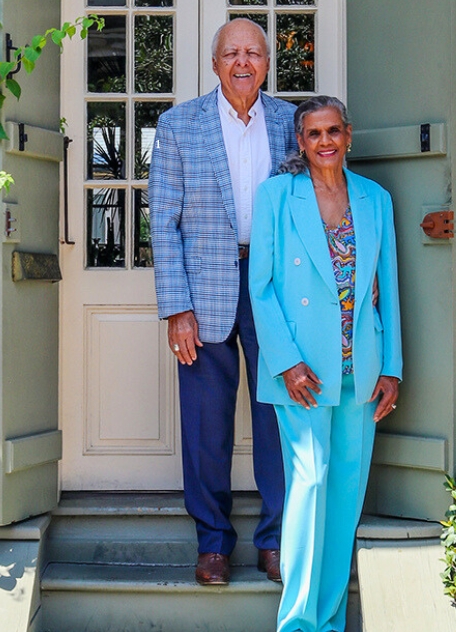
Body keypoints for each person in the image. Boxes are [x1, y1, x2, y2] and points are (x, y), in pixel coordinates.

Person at [149, 18, 297, 586]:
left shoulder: (291, 123)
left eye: (253, 53)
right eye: (231, 52)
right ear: (215, 64)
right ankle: (212, 543)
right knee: (206, 423)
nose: (243, 62)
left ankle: (276, 540)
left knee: (278, 417)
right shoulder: (179, 124)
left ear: (266, 63)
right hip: (204, 286)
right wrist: (175, 307)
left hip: (275, 286)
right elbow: (162, 223)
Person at [249, 96, 402, 632]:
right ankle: (295, 621)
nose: (324, 142)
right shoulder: (276, 196)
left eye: (332, 131)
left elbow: (390, 291)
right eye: (313, 134)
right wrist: (286, 362)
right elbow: (260, 286)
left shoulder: (375, 199)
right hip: (304, 373)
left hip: (359, 368)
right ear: (300, 142)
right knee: (310, 484)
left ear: (348, 134)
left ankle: (329, 621)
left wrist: (392, 367)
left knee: (344, 497)